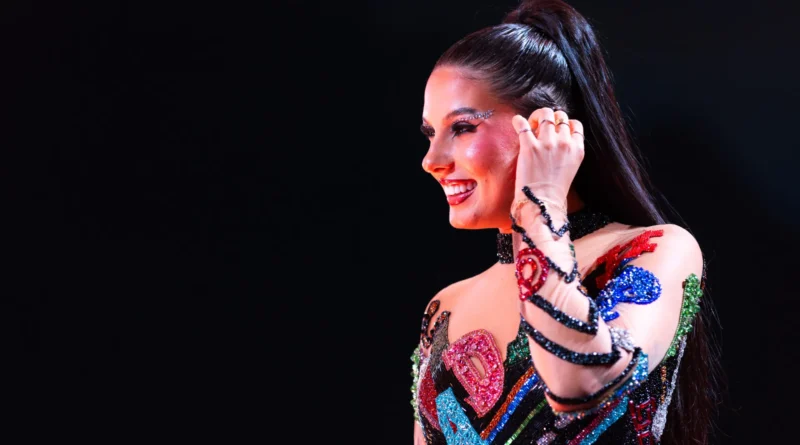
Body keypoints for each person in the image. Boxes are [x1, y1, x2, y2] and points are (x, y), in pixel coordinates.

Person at [409, 0, 722, 444]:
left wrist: (540, 202)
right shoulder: (446, 307)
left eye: (462, 128)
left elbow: (579, 382)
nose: (432, 160)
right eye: (430, 134)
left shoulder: (656, 250)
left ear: (545, 128)